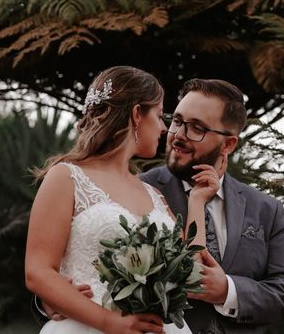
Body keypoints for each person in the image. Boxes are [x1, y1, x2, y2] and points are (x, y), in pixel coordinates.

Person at [42, 78, 284, 334]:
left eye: (197, 127)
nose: (176, 135)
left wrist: (227, 290)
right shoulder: (135, 189)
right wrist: (51, 298)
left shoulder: (266, 209)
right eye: (177, 121)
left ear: (229, 144)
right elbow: (63, 262)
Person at [25, 66, 219, 334]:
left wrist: (197, 202)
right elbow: (37, 271)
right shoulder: (67, 177)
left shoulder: (154, 195)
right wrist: (110, 322)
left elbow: (190, 274)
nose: (164, 128)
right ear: (137, 114)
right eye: (160, 115)